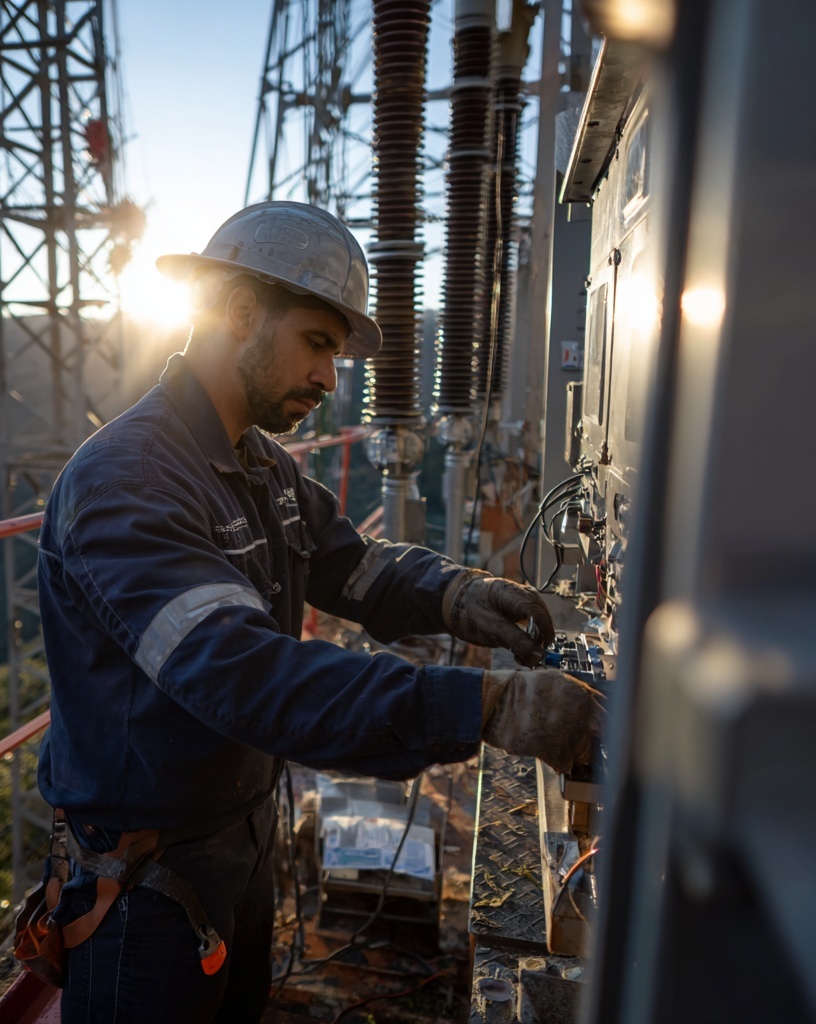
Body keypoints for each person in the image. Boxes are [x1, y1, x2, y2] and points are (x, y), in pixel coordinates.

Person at [34, 201, 601, 1023]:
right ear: (237, 313)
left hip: (238, 845)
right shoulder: (131, 480)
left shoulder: (258, 465)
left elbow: (355, 566)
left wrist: (458, 595)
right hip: (142, 890)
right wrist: (485, 705)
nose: (331, 381)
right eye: (318, 344)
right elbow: (249, 676)